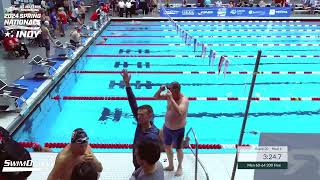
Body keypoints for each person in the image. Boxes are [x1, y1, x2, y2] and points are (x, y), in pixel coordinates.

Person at [120, 69, 160, 170]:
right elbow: (133, 103)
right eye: (138, 115)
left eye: (142, 115)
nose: (138, 117)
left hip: (145, 167)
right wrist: (127, 84)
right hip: (138, 163)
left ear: (150, 116)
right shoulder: (140, 123)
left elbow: (153, 156)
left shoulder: (152, 135)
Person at [153, 82, 189, 176]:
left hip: (179, 130)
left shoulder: (184, 100)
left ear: (176, 90)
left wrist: (171, 98)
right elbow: (155, 97)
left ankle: (180, 166)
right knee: (167, 147)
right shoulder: (169, 96)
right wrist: (160, 90)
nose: (168, 90)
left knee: (179, 149)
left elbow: (180, 111)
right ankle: (171, 165)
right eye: (168, 88)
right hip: (167, 128)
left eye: (170, 89)